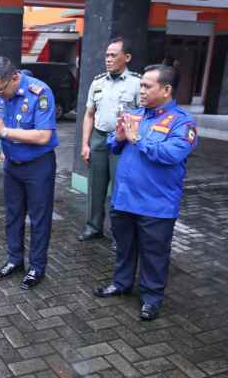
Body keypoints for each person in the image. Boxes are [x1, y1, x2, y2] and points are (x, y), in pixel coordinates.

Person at [94, 64, 197, 321]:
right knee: (124, 248)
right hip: (124, 200)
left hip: (156, 205)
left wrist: (137, 138)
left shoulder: (182, 122)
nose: (141, 90)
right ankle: (121, 283)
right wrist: (119, 137)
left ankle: (151, 298)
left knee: (154, 256)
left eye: (147, 86)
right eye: (140, 85)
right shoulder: (136, 114)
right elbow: (113, 144)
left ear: (166, 90)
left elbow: (172, 154)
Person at [0, 57, 58, 290]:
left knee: (39, 218)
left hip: (38, 166)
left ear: (14, 78)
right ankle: (14, 259)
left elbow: (43, 135)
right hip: (12, 164)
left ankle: (37, 266)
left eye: (0, 90)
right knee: (13, 215)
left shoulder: (40, 92)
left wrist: (3, 131)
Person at [78, 37, 141, 243]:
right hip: (99, 138)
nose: (108, 59)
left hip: (122, 143)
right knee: (95, 186)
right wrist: (85, 144)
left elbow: (143, 117)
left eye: (113, 55)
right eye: (107, 55)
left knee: (120, 188)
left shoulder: (137, 84)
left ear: (127, 57)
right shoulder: (98, 82)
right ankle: (93, 227)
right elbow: (89, 114)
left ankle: (119, 234)